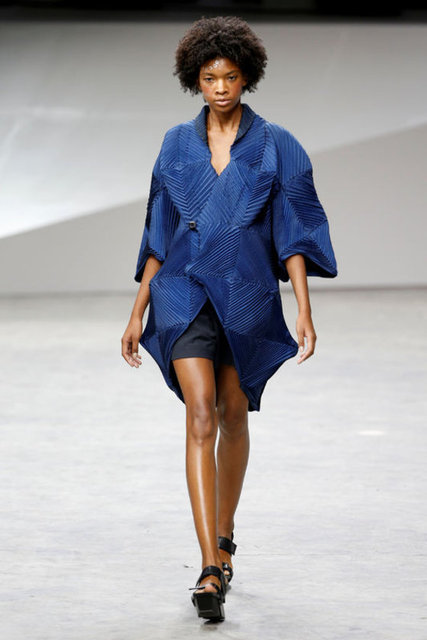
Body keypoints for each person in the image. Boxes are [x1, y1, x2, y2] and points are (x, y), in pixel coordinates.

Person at [121, 15, 338, 622]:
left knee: (233, 414)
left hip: (246, 295)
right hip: (183, 291)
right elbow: (158, 232)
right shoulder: (175, 144)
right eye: (210, 77)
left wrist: (303, 308)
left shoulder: (276, 144)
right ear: (195, 80)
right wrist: (137, 312)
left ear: (247, 78)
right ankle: (208, 568)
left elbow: (292, 231)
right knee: (200, 413)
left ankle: (225, 536)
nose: (220, 87)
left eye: (231, 77)